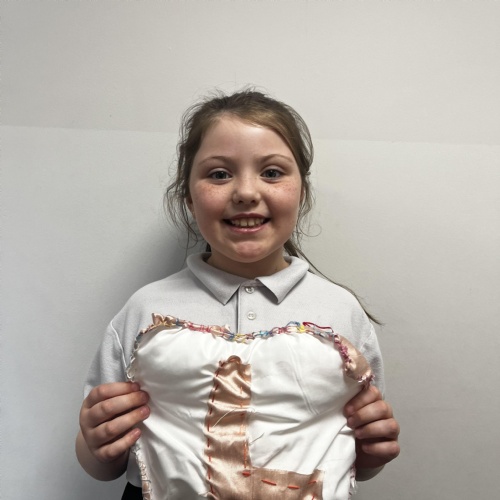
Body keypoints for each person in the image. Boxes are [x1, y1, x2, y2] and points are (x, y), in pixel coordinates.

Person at [76, 90, 400, 499]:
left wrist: (372, 452)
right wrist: (95, 446)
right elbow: (103, 461)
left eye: (272, 172)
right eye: (219, 174)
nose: (246, 191)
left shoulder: (340, 312)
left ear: (302, 190)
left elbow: (357, 452)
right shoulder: (146, 310)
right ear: (187, 195)